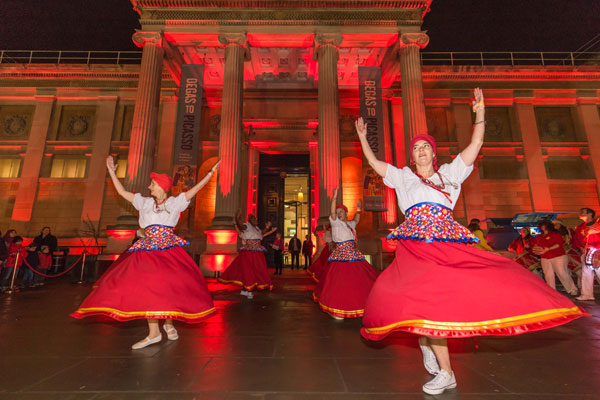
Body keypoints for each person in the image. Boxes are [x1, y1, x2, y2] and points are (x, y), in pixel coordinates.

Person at [356, 88, 585, 396]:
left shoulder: (450, 174)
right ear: (412, 156)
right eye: (417, 148)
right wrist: (361, 137)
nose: (421, 150)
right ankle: (426, 341)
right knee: (400, 295)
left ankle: (446, 370)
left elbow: (476, 144)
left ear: (434, 153)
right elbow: (374, 163)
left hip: (445, 246)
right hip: (414, 247)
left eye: (426, 146)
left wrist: (479, 112)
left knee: (437, 302)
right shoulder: (403, 178)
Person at [71, 156, 220, 350]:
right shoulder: (144, 203)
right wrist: (112, 172)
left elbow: (196, 189)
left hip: (168, 250)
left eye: (152, 184)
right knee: (147, 286)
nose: (149, 187)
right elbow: (123, 192)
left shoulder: (175, 203)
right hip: (147, 249)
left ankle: (168, 323)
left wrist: (210, 172)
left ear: (161, 186)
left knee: (167, 287)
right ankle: (154, 333)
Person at [313, 188, 379, 320]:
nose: (338, 214)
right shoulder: (335, 223)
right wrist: (334, 199)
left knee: (360, 278)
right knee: (339, 281)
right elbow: (332, 212)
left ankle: (361, 302)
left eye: (341, 212)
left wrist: (359, 209)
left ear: (346, 213)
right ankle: (337, 307)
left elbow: (357, 219)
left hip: (353, 254)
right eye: (337, 212)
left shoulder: (350, 224)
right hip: (342, 255)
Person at [219, 209, 276, 298]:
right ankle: (248, 290)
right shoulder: (247, 226)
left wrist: (268, 228)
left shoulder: (256, 228)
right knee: (249, 271)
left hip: (257, 252)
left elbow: (262, 233)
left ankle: (245, 290)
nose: (256, 220)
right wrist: (237, 220)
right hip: (249, 253)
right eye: (254, 219)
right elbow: (241, 227)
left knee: (257, 270)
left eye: (256, 219)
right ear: (250, 220)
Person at [532, 220, 578, 296]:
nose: (543, 227)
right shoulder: (539, 237)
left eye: (544, 225)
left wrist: (548, 249)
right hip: (545, 257)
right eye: (541, 226)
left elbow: (559, 244)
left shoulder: (555, 234)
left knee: (562, 273)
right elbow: (536, 245)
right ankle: (552, 291)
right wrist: (536, 249)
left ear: (548, 226)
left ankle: (572, 289)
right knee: (548, 275)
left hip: (558, 256)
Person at [577, 210, 600, 301]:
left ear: (590, 214)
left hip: (597, 251)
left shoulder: (597, 224)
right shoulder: (582, 227)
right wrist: (582, 248)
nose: (580, 213)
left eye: (583, 212)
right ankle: (587, 294)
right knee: (586, 273)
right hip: (588, 251)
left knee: (599, 272)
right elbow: (579, 239)